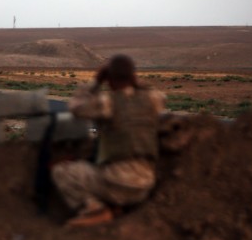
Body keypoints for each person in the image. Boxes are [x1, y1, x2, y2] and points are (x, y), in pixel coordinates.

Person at [51, 54, 166, 227]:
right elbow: (155, 93)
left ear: (109, 80)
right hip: (145, 184)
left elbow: (76, 107)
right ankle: (117, 207)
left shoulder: (108, 103)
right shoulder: (153, 100)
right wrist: (134, 81)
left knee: (61, 170)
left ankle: (95, 209)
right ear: (133, 76)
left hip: (117, 183)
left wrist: (96, 81)